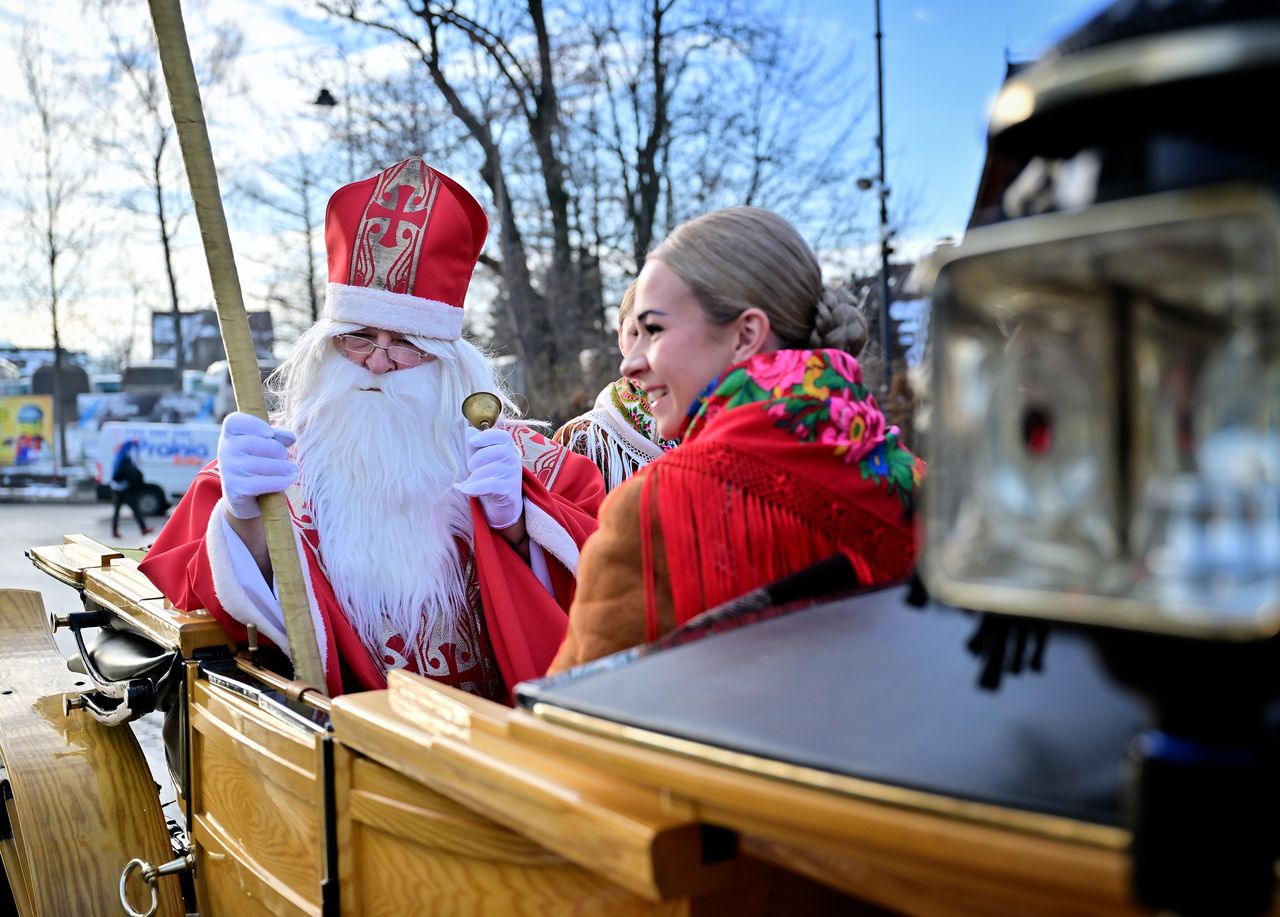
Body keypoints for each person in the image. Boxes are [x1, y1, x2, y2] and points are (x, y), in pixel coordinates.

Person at [140, 157, 605, 700]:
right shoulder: (272, 460)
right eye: (358, 337)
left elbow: (608, 588)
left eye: (406, 342)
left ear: (447, 360)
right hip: (340, 743)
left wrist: (521, 527)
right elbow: (197, 608)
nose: (377, 363)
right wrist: (243, 518)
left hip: (496, 743)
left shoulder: (524, 461)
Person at [548, 206, 925, 672]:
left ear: (746, 335)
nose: (631, 363)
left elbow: (568, 728)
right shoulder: (925, 489)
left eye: (655, 330)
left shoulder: (655, 513)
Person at [553, 282, 676, 491]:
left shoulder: (736, 416)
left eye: (664, 332)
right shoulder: (586, 441)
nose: (650, 348)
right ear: (620, 339)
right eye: (636, 333)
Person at [110, 439, 154, 539]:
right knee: (135, 509)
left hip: (116, 489)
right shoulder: (125, 459)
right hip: (124, 489)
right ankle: (143, 529)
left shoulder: (119, 457)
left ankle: (115, 531)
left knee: (118, 512)